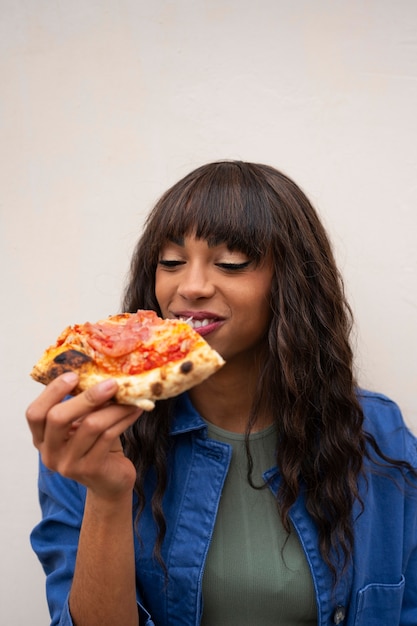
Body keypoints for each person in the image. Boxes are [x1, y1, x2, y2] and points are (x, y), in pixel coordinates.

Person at [26, 160, 417, 626]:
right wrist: (108, 494)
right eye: (170, 262)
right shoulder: (89, 435)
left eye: (231, 262)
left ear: (292, 284)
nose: (190, 286)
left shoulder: (379, 433)